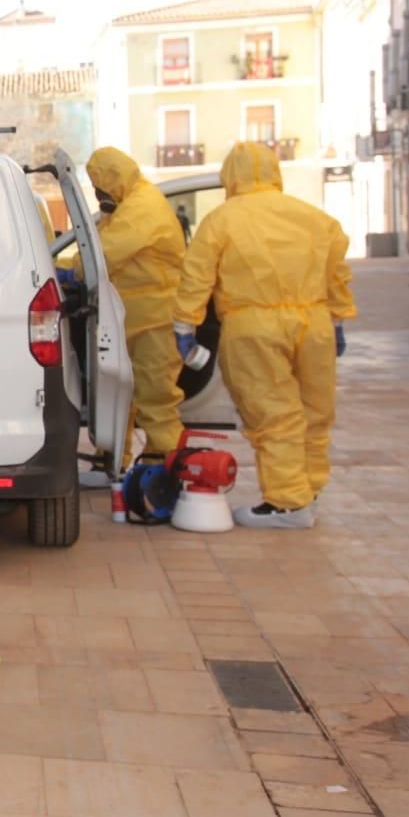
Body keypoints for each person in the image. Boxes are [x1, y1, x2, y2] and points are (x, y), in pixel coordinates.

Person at [170, 143, 354, 528]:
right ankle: (308, 492)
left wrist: (185, 327)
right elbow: (336, 275)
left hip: (254, 326)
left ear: (230, 176)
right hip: (315, 323)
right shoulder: (316, 219)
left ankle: (287, 504)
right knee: (314, 413)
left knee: (273, 414)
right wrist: (336, 322)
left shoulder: (222, 220)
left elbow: (197, 277)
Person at [85, 147, 187, 456]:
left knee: (155, 400)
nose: (98, 192)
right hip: (133, 318)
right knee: (119, 395)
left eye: (99, 185)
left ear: (113, 179)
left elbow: (105, 254)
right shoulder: (126, 205)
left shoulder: (143, 207)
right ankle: (115, 462)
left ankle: (168, 467)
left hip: (154, 320)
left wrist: (73, 268)